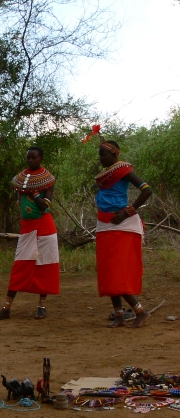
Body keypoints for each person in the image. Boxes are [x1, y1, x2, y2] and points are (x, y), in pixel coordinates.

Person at [0, 147, 60, 321]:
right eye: (28, 157)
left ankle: (41, 306)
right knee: (19, 266)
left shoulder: (47, 179)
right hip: (27, 228)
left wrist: (34, 194)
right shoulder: (20, 180)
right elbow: (18, 199)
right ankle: (6, 307)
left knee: (44, 266)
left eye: (33, 157)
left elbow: (46, 205)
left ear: (41, 158)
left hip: (44, 227)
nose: (30, 160)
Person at [95, 140, 152, 328]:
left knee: (116, 271)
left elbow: (147, 190)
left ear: (114, 155)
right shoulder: (105, 174)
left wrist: (127, 212)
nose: (100, 158)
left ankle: (140, 311)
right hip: (105, 224)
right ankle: (119, 315)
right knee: (107, 270)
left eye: (103, 154)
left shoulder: (124, 170)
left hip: (122, 225)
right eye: (99, 154)